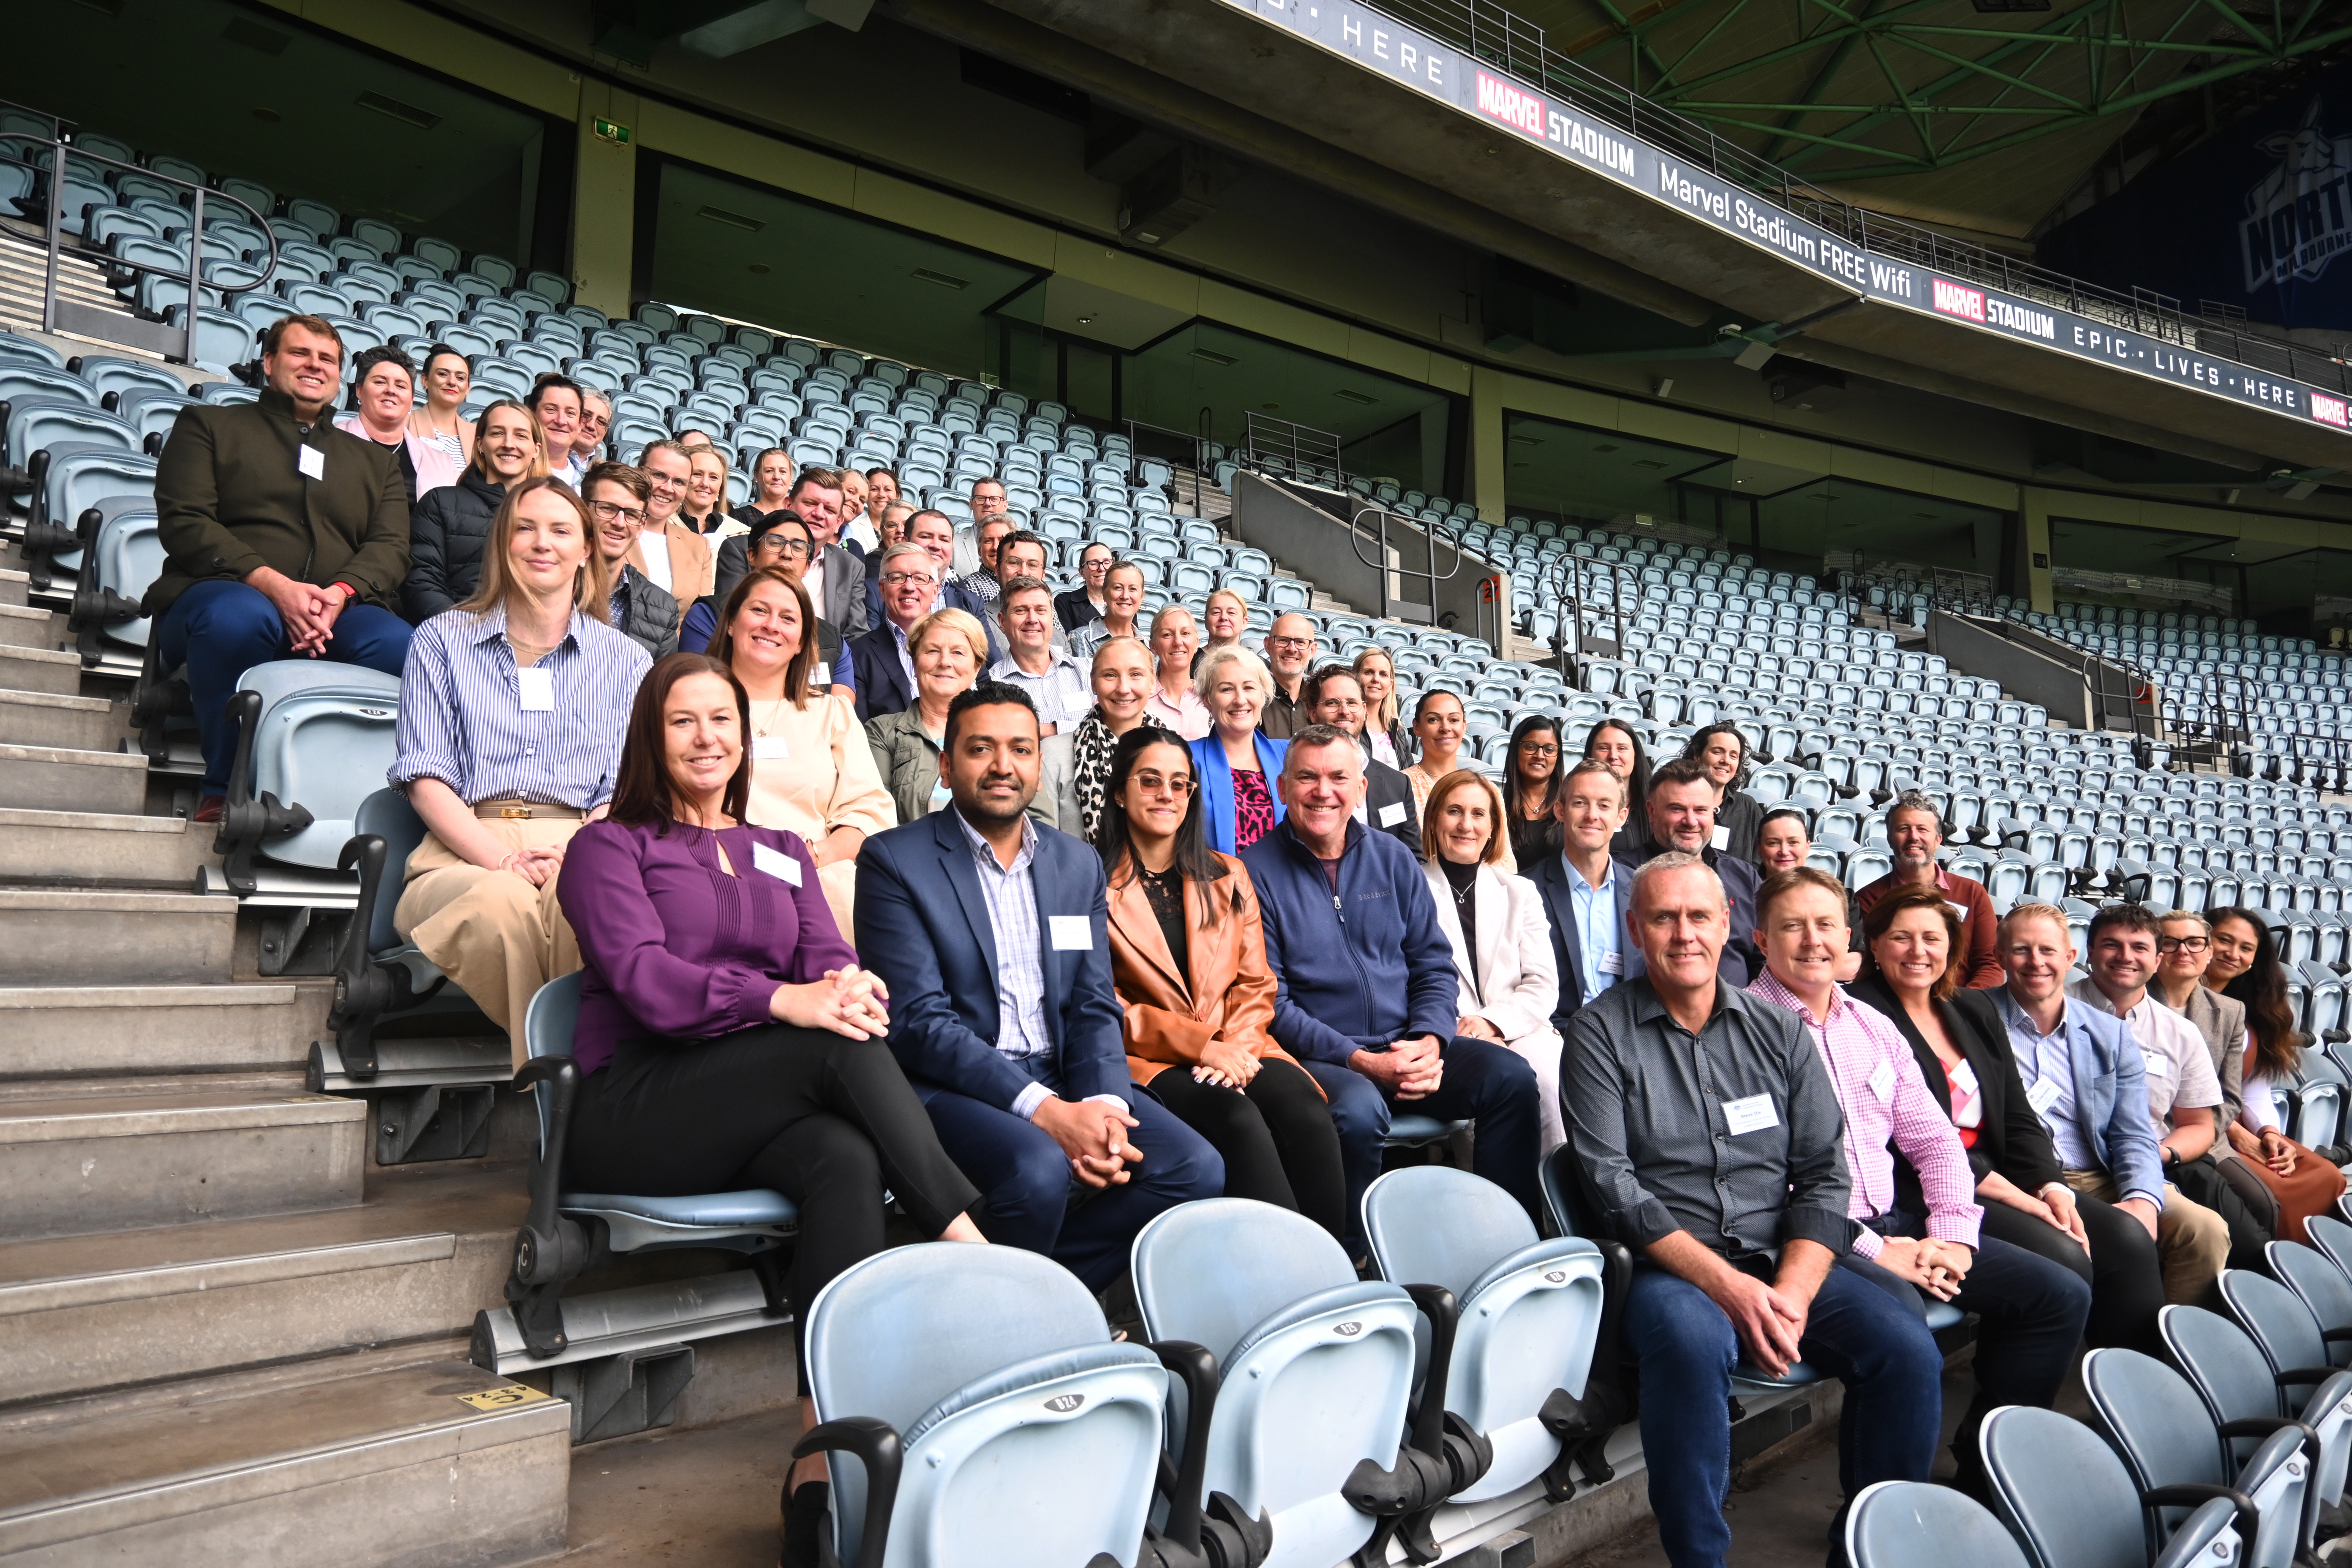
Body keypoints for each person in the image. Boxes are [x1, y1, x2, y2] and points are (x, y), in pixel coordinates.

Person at [551, 652, 982, 1567]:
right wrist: (791, 1002)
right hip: (633, 1108)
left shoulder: (781, 849)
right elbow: (648, 983)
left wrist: (851, 985)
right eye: (684, 721)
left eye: (723, 720)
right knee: (829, 1045)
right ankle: (975, 1256)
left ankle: (819, 1457)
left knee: (844, 1157)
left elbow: (827, 957)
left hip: (751, 1102)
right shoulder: (608, 845)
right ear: (649, 736)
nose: (709, 738)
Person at [1563, 852, 1943, 1568]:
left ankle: (1869, 1552)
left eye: (1698, 915)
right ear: (1635, 929)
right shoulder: (1597, 1033)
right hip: (1671, 1267)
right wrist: (1730, 1287)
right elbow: (1613, 1188)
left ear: (1726, 923)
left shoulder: (1779, 1033)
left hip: (1782, 1257)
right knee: (1691, 1341)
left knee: (1904, 1350)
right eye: (1663, 917)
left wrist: (1791, 1293)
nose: (1683, 934)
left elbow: (1823, 1174)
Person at [857, 684, 1224, 1287]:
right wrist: (1049, 1114)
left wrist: (1103, 1105)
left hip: (1060, 1071)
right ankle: (1022, 1317)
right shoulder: (895, 861)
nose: (1004, 766)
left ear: (1038, 764)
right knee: (1038, 1169)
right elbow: (921, 1023)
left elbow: (1090, 1003)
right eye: (981, 749)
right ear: (947, 766)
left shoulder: (1074, 862)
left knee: (1193, 1167)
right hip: (955, 1087)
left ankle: (1047, 1294)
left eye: (1021, 750)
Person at [1747, 869, 2088, 1499]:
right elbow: (1760, 1191)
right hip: (1808, 1240)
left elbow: (1935, 1142)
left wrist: (1954, 1237)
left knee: (2057, 1295)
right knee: (1906, 1336)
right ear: (1760, 939)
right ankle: (1873, 1535)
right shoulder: (1741, 1034)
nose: (1812, 941)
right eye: (1792, 927)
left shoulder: (1870, 1025)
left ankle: (1988, 1475)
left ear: (1848, 937)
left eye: (1825, 925)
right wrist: (1884, 1254)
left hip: (1898, 1223)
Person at [387, 476, 651, 1066]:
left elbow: (625, 788)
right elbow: (425, 776)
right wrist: (501, 859)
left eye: (560, 530)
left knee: (582, 900)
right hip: (462, 851)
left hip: (581, 840)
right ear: (502, 542)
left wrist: (579, 851)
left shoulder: (627, 660)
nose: (542, 543)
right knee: (502, 902)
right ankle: (565, 1084)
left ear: (587, 547)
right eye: (524, 527)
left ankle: (572, 1086)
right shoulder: (441, 640)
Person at [1241, 726, 1543, 1237]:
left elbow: (1432, 964)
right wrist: (1361, 1061)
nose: (1323, 791)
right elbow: (1272, 1000)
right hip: (1326, 1056)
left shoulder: (1393, 857)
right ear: (1283, 786)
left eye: (1339, 777)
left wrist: (1430, 1039)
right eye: (1307, 777)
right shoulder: (1252, 871)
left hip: (1410, 1043)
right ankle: (1352, 1260)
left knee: (1510, 1079)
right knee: (1357, 1114)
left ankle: (1507, 1237)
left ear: (1361, 788)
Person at [1852, 887, 2155, 1350]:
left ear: (1951, 946)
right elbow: (1906, 1142)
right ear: (1874, 945)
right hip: (1926, 1185)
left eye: (1933, 938)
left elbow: (2017, 1113)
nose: (1919, 951)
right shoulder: (1861, 1016)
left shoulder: (1970, 1007)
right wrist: (2027, 1200)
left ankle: (2129, 1381)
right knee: (2064, 1254)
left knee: (2127, 1237)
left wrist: (2051, 1187)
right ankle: (2003, 1410)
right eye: (1902, 938)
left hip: (1998, 1171)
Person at [151, 314, 413, 822]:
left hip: (337, 611)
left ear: (340, 377)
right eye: (300, 354)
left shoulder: (375, 462)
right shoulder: (209, 426)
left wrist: (338, 594)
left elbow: (391, 546)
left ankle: (360, 799)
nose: (315, 366)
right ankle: (225, 786)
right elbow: (185, 521)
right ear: (269, 363)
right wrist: (272, 584)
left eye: (328, 359)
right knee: (240, 618)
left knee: (406, 646)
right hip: (225, 593)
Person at [1097, 727, 1348, 1239]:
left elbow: (1257, 982)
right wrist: (1203, 1047)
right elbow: (1104, 1004)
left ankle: (1339, 1265)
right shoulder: (1089, 883)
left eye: (1179, 783)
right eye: (1150, 781)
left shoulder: (1228, 873)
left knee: (1305, 1110)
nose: (1167, 794)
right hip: (1151, 1055)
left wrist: (1236, 1047)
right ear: (1120, 792)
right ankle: (1291, 1278)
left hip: (1242, 1041)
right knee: (1236, 1120)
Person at [1994, 904, 2186, 1349]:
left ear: (2070, 956)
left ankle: (2167, 1357)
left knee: (2199, 1228)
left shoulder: (2109, 1033)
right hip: (2024, 1177)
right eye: (2021, 949)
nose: (2036, 961)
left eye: (2047, 950)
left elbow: (2134, 1130)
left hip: (2097, 1172)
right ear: (2002, 955)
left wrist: (2141, 1197)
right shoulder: (1976, 1018)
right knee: (2116, 1242)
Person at [2068, 902, 2252, 1287]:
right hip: (2062, 1164)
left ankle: (2170, 1341)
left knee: (2206, 1232)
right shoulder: (2055, 1008)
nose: (2125, 957)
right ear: (2089, 952)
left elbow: (2200, 1125)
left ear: (2157, 959)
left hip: (2141, 1165)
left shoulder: (2179, 1033)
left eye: (2139, 948)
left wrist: (2158, 1154)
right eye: (2111, 945)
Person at [706, 565, 892, 934]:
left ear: (801, 641)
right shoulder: (690, 709)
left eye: (788, 618)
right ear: (731, 623)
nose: (772, 625)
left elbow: (869, 813)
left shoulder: (831, 713)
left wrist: (814, 856)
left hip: (815, 874)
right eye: (759, 610)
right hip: (715, 870)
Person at [1421, 768, 1565, 1149]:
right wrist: (1468, 1030)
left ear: (1493, 826)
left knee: (1550, 1085)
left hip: (1520, 1025)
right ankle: (1488, 1204)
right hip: (1449, 1031)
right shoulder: (1409, 888)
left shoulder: (1520, 892)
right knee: (1487, 1093)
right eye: (1454, 811)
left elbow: (1542, 984)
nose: (1466, 825)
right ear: (1434, 819)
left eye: (1478, 814)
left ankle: (1553, 1204)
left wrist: (1493, 1023)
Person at [2205, 906, 2347, 1240]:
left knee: (2326, 1175)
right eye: (2224, 940)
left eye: (2246, 948)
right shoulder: (2175, 1004)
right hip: (2203, 1129)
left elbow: (2255, 1090)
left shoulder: (2253, 1014)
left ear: (2255, 959)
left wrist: (2270, 1132)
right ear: (2202, 941)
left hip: (2240, 1127)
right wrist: (2237, 1134)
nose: (2233, 953)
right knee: (2276, 1194)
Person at [864, 607, 1018, 825]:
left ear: (976, 667)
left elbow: (1038, 820)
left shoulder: (1009, 730)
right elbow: (877, 819)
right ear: (915, 664)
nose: (945, 662)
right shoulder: (881, 733)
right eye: (933, 651)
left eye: (958, 653)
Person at [1523, 761, 1642, 1031]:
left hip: (1630, 1037)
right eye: (1580, 803)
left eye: (1604, 805)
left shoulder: (1642, 891)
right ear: (1560, 810)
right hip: (1554, 1037)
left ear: (1621, 817)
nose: (1592, 815)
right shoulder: (1525, 889)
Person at [403, 399, 544, 623]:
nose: (509, 444)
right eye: (497, 433)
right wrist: (461, 633)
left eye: (521, 436)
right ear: (480, 444)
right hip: (459, 635)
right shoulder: (440, 503)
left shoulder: (553, 514)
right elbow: (422, 581)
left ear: (536, 450)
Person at [1851, 792, 2003, 990]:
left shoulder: (1972, 892)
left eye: (1922, 829)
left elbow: (1991, 963)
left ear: (1938, 839)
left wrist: (1964, 1007)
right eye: (1904, 829)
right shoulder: (1870, 898)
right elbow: (1871, 967)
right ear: (1890, 839)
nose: (1914, 837)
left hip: (1965, 1004)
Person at [1634, 758, 1763, 987]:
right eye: (1677, 809)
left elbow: (1765, 960)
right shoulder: (1620, 875)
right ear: (1651, 811)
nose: (1691, 821)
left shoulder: (1745, 877)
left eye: (1701, 810)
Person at [716, 470, 867, 639]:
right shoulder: (741, 549)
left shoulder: (852, 567)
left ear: (839, 522)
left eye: (830, 510)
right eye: (810, 503)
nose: (819, 514)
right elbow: (728, 616)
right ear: (788, 505)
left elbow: (856, 636)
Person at [988, 574, 1083, 831]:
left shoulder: (1086, 670)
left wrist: (1049, 730)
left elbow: (1107, 722)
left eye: (1041, 610)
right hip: (1031, 810)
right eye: (1021, 610)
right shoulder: (992, 686)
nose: (1033, 619)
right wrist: (1077, 728)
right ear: (1002, 621)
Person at [1303, 663, 1420, 856]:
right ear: (1313, 713)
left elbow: (1413, 856)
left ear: (1364, 710)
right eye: (1332, 703)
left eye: (1352, 703)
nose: (1345, 711)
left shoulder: (1398, 784)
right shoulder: (1293, 776)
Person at [1065, 636, 1168, 843]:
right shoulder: (1054, 757)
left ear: (1152, 682)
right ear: (1094, 684)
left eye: (1136, 675)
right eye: (1110, 675)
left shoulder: (1175, 752)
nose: (1123, 688)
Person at [2151, 909, 2246, 1125]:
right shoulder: (2131, 1001)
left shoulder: (2232, 1011)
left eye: (2194, 943)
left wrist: (2200, 1135)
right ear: (2155, 952)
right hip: (2144, 1133)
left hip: (2206, 1135)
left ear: (2209, 952)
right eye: (2170, 943)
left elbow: (2229, 1097)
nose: (2183, 951)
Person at [1190, 645, 1284, 855]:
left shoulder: (1288, 755)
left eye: (1249, 688)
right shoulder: (1187, 759)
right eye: (1227, 689)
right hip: (1216, 884)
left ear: (1263, 695)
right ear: (1207, 700)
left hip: (1282, 886)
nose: (1240, 700)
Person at [582, 462, 678, 659]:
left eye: (632, 515)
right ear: (583, 511)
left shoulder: (663, 609)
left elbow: (659, 688)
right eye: (607, 509)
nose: (619, 523)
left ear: (641, 526)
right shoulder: (549, 583)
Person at [846, 543, 939, 721]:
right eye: (897, 578)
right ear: (882, 590)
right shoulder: (857, 655)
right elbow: (861, 733)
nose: (909, 587)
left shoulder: (962, 646)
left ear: (935, 591)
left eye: (920, 578)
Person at [631, 439, 716, 631]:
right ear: (639, 473)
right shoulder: (610, 530)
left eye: (679, 482)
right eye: (659, 475)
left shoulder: (699, 547)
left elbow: (694, 622)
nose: (668, 488)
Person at [334, 346, 422, 505]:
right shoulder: (328, 442)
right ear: (359, 391)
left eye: (401, 386)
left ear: (411, 401)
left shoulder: (440, 461)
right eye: (380, 382)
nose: (391, 391)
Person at [1683, 723, 1763, 868]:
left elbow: (1758, 864)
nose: (1726, 761)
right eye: (1717, 752)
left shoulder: (1748, 808)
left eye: (1733, 756)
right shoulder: (1676, 802)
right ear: (1697, 756)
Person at [1583, 719, 1652, 861]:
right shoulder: (1576, 804)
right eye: (1603, 748)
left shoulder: (1655, 805)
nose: (1613, 756)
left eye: (1622, 748)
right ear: (1590, 755)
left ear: (1635, 755)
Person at [1501, 715, 1564, 871]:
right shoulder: (1498, 806)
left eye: (1549, 750)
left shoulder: (1570, 804)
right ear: (1516, 750)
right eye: (1530, 747)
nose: (1540, 755)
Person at [408, 345, 473, 496]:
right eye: (443, 374)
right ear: (425, 381)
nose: (452, 382)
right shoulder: (403, 424)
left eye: (461, 378)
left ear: (468, 388)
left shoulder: (478, 435)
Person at [1144, 604, 1211, 740]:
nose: (1178, 642)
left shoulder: (1212, 698)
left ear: (1197, 643)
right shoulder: (1141, 699)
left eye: (1185, 633)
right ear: (1153, 647)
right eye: (1167, 635)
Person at [1401, 689, 1466, 817]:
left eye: (1454, 720)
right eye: (1434, 720)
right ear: (1417, 727)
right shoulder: (1400, 786)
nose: (1445, 728)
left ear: (1464, 726)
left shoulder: (1485, 790)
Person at [1067, 559, 1144, 661]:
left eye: (1133, 589)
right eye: (1118, 588)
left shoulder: (1150, 648)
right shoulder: (1082, 638)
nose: (1125, 596)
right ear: (1104, 593)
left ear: (1142, 597)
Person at [1257, 613, 1318, 740]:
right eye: (1283, 640)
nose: (1292, 649)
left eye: (1301, 642)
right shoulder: (1250, 697)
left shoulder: (1319, 702)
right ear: (1268, 645)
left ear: (1312, 650)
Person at [1355, 646, 1414, 768]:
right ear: (1355, 678)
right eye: (1369, 672)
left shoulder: (1398, 732)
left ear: (1390, 685)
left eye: (1383, 674)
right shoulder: (1347, 725)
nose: (1376, 679)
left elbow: (1409, 776)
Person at [528, 374, 588, 487]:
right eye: (551, 410)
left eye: (570, 413)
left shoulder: (588, 483)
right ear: (531, 415)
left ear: (580, 424)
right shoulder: (514, 470)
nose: (561, 421)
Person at [681, 444, 740, 540]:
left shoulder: (740, 534)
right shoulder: (661, 525)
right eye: (697, 474)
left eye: (713, 477)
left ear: (721, 488)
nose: (705, 484)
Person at [1056, 541, 1111, 634]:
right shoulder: (1065, 603)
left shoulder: (1124, 602)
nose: (1102, 569)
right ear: (1082, 572)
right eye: (1094, 564)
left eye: (1107, 563)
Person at [1191, 588, 1245, 680]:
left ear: (1244, 622)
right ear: (1206, 622)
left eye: (1231, 613)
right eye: (1216, 612)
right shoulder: (1189, 661)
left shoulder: (1255, 664)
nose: (1224, 617)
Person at [735, 447, 793, 528]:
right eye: (769, 471)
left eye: (783, 472)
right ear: (757, 476)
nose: (777, 477)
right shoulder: (739, 518)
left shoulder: (799, 520)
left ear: (791, 478)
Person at [1757, 806, 1811, 875]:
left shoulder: (1823, 886)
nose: (1784, 852)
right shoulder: (1745, 885)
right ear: (1760, 850)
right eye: (1774, 843)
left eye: (1794, 842)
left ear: (1807, 848)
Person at [574, 389, 610, 470]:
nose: (591, 426)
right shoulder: (542, 456)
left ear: (605, 433)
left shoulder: (608, 473)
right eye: (586, 415)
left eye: (601, 422)